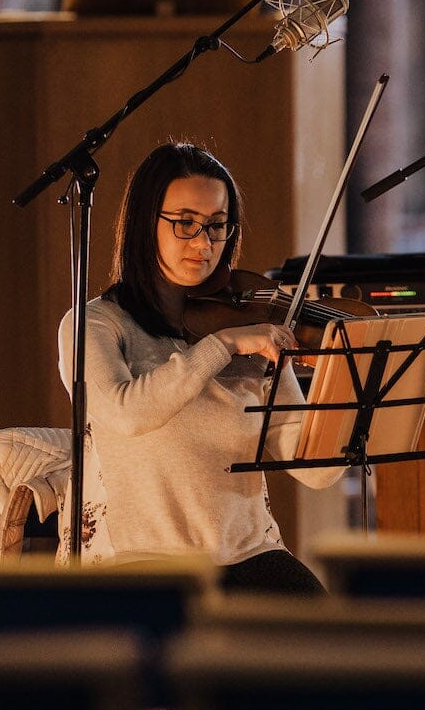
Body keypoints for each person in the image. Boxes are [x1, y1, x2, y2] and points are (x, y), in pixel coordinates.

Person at [56, 140, 336, 593]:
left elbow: (313, 469)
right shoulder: (95, 324)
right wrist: (220, 346)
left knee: (330, 643)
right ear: (146, 224)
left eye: (217, 225)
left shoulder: (254, 325)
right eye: (185, 224)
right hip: (139, 560)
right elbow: (127, 414)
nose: (204, 243)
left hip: (250, 553)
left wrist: (349, 390)